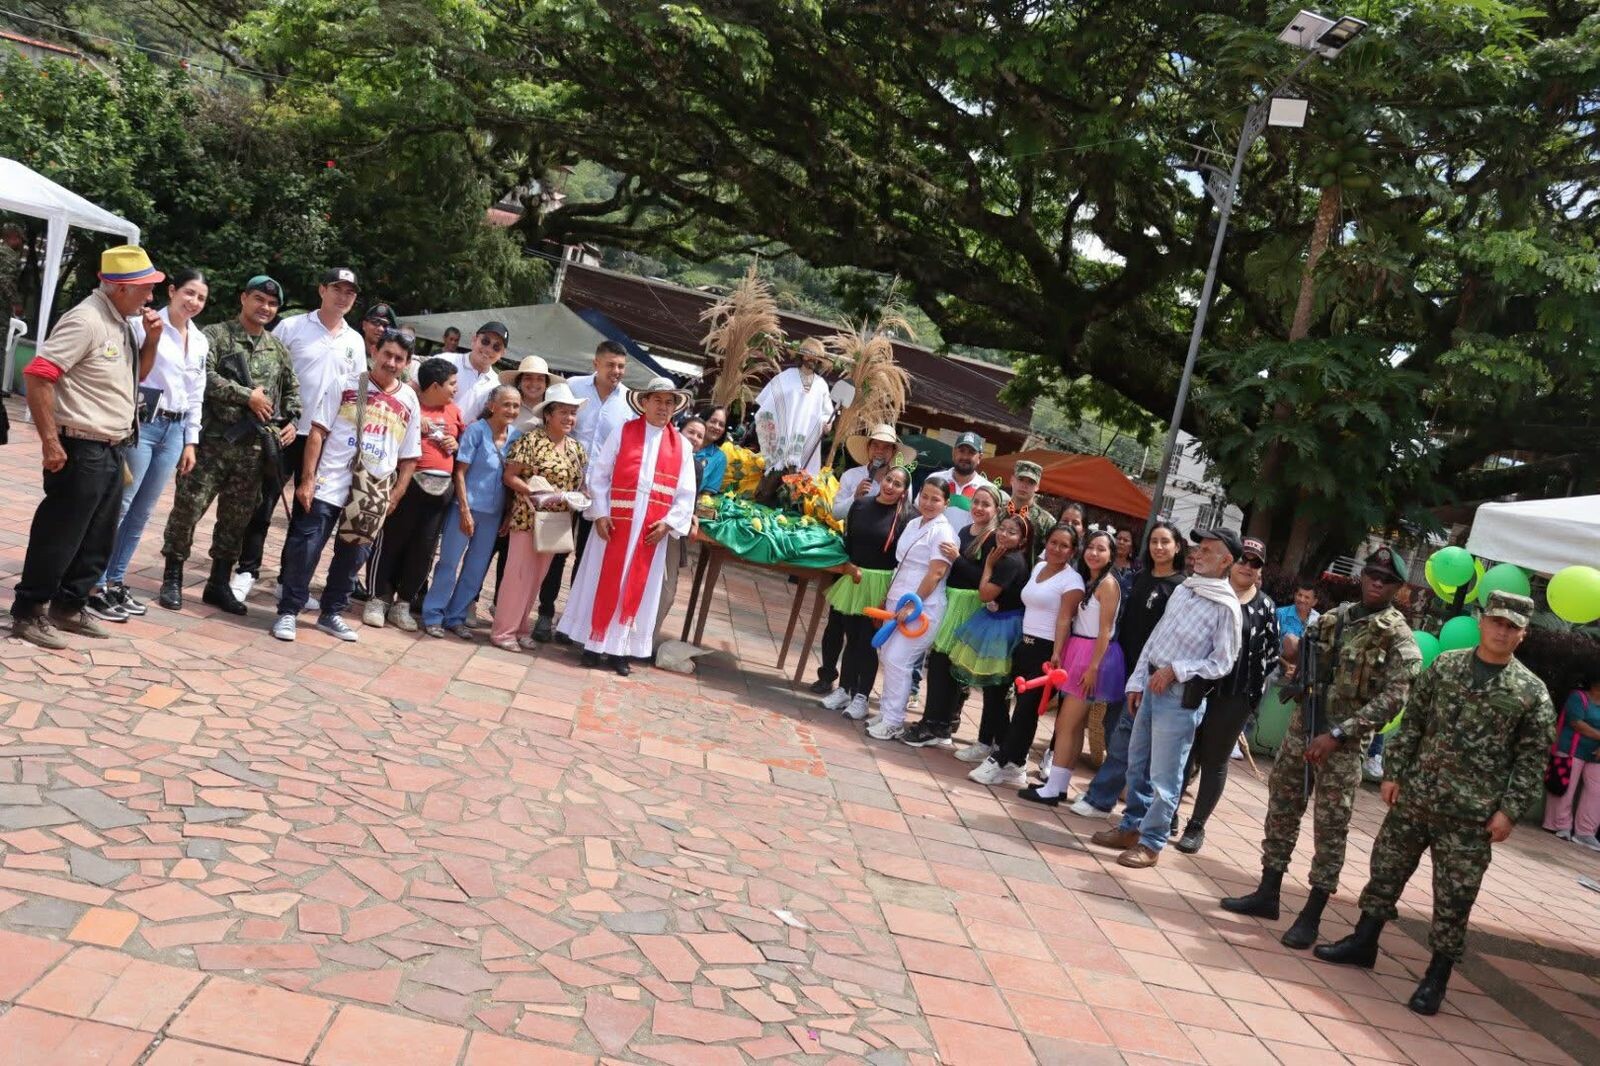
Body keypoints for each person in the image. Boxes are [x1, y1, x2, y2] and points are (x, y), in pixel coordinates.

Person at [1314, 592, 1554, 1016]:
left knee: (1455, 898)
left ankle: (1436, 977)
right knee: (1385, 871)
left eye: (1511, 627)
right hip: (1416, 796)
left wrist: (1509, 811)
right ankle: (1363, 941)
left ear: (1523, 635)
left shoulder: (1531, 692)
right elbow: (1414, 721)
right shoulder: (1445, 666)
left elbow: (1532, 759)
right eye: (1496, 621)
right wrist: (1393, 771)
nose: (1502, 630)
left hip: (1472, 815)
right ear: (1482, 621)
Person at [1222, 546, 1422, 946]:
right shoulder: (1335, 618)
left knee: (1330, 829)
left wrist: (1339, 734)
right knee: (1282, 808)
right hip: (1304, 728)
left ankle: (1312, 915)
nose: (1376, 582)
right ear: (1362, 576)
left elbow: (1395, 697)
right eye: (1371, 574)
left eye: (1386, 579)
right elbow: (1301, 657)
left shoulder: (1398, 637)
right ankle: (1268, 891)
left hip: (1343, 745)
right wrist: (1292, 655)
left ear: (1397, 589)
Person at [10, 246, 162, 649]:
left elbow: (134, 379)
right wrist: (49, 442)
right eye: (144, 289)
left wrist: (151, 342)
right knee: (59, 534)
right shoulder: (86, 320)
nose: (150, 297)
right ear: (116, 287)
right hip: (79, 446)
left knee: (97, 538)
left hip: (112, 446)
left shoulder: (123, 322)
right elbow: (38, 375)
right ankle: (28, 611)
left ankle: (69, 605)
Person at [1087, 527, 1243, 868]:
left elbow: (1223, 662)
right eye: (1199, 548)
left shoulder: (1226, 606)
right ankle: (1131, 827)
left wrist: (1176, 670)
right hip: (1151, 685)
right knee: (1138, 762)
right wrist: (1137, 680)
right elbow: (1157, 638)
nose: (1198, 554)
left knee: (1166, 774)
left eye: (1208, 550)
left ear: (1226, 560)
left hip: (1179, 694)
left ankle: (1153, 841)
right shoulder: (1186, 589)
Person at [159, 277, 300, 615]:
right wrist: (246, 395)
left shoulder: (277, 348)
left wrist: (292, 420)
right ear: (243, 298)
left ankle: (218, 584)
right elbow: (202, 377)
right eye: (258, 299)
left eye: (271, 303)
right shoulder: (215, 336)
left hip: (252, 451)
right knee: (187, 511)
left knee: (235, 521)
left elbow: (292, 389)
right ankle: (173, 577)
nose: (264, 307)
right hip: (212, 444)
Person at [272, 329, 421, 643]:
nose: (391, 363)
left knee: (353, 556)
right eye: (387, 354)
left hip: (373, 491)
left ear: (406, 363)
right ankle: (289, 611)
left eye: (399, 358)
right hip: (331, 481)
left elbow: (409, 458)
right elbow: (317, 433)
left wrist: (395, 495)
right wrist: (308, 480)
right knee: (306, 546)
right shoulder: (347, 384)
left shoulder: (408, 400)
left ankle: (331, 613)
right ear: (374, 352)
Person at [234, 267, 364, 606]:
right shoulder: (292, 326)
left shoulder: (355, 341)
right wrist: (279, 418)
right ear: (322, 289)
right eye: (337, 288)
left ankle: (287, 580)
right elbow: (270, 372)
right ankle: (246, 571)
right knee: (262, 503)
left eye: (350, 292)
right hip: (284, 430)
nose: (343, 296)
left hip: (323, 440)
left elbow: (358, 396)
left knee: (306, 513)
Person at [89, 268, 210, 622]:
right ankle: (93, 583)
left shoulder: (200, 341)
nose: (194, 302)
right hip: (142, 425)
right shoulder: (145, 325)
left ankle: (115, 580)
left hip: (174, 430)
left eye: (201, 298)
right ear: (172, 291)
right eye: (188, 293)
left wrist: (192, 440)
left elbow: (195, 393)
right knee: (121, 504)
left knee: (143, 510)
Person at [556, 377, 694, 674]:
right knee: (599, 580)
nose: (663, 406)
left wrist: (668, 524)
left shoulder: (681, 446)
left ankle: (621, 651)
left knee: (637, 590)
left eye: (669, 402)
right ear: (644, 402)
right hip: (615, 523)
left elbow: (686, 492)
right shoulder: (623, 432)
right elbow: (600, 474)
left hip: (649, 530)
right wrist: (602, 512)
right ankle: (592, 646)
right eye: (657, 400)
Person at [1071, 522, 1187, 818]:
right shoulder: (1137, 578)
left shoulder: (1180, 588)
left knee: (1126, 737)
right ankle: (1119, 794)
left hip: (1151, 674)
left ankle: (1101, 799)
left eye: (1165, 542)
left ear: (1177, 547)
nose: (1158, 547)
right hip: (1123, 665)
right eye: (1154, 541)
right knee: (1114, 731)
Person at [1176, 537, 1279, 852]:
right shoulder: (1207, 592)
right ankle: (1168, 813)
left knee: (1214, 761)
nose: (1248, 566)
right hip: (1196, 686)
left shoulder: (1265, 606)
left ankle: (1196, 826)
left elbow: (1271, 655)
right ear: (1231, 561)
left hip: (1234, 696)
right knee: (1183, 752)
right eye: (1244, 559)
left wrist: (1251, 698)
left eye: (1255, 563)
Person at [966, 524, 1083, 784]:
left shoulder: (1072, 581)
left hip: (1047, 650)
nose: (1057, 549)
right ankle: (1016, 764)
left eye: (1064, 546)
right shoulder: (1039, 567)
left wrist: (1056, 653)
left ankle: (1001, 759)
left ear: (1073, 551)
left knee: (1026, 710)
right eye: (1053, 542)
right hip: (1024, 643)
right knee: (1014, 703)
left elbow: (1065, 619)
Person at [1020, 528, 1126, 805]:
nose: (1094, 553)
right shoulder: (1091, 581)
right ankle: (1058, 786)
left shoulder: (1108, 584)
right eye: (1090, 547)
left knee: (1065, 724)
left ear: (1111, 555)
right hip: (1078, 651)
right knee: (1074, 726)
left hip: (1092, 655)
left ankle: (1053, 788)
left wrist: (1093, 668)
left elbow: (1105, 630)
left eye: (1101, 549)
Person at [536, 341, 632, 642]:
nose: (615, 371)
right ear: (596, 364)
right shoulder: (573, 387)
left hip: (601, 494)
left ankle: (572, 621)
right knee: (556, 552)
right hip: (565, 486)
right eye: (610, 365)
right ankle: (545, 613)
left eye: (620, 367)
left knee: (587, 559)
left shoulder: (629, 401)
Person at [814, 423, 916, 695]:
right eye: (875, 445)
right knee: (837, 622)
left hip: (880, 564)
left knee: (865, 632)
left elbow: (904, 518)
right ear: (868, 448)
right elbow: (836, 512)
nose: (879, 450)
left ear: (893, 451)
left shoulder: (902, 481)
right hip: (852, 555)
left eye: (885, 446)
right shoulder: (852, 476)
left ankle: (856, 688)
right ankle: (827, 674)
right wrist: (856, 497)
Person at [363, 357, 462, 630]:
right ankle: (377, 598)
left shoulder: (454, 411)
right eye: (452, 384)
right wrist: (416, 429)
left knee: (424, 548)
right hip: (407, 485)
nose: (456, 388)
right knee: (391, 541)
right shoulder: (408, 404)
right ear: (434, 386)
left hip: (440, 492)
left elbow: (461, 445)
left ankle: (403, 603)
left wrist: (455, 442)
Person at [905, 484, 1006, 746]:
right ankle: (936, 722)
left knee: (945, 665)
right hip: (953, 599)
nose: (979, 508)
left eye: (986, 504)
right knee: (939, 665)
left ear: (996, 510)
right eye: (976, 502)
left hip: (968, 604)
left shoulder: (993, 537)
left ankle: (938, 725)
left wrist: (958, 558)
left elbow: (982, 577)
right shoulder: (964, 530)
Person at [494, 381, 589, 651]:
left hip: (557, 522)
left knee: (537, 577)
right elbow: (510, 476)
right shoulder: (531, 440)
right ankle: (503, 632)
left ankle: (522, 627)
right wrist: (538, 495)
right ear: (548, 414)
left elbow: (580, 484)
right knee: (518, 576)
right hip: (528, 516)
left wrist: (579, 497)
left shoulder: (576, 449)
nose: (570, 418)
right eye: (564, 412)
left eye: (573, 412)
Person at [927, 514, 1032, 749]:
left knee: (996, 689)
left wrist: (988, 566)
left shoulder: (1010, 562)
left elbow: (985, 593)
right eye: (1002, 529)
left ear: (1023, 541)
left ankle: (997, 747)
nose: (1004, 534)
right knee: (993, 689)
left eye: (1012, 532)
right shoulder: (1005, 556)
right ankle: (989, 744)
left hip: (1003, 626)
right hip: (997, 620)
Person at [423, 385, 520, 638]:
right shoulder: (476, 431)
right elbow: (460, 472)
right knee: (449, 563)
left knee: (476, 569)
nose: (511, 410)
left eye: (516, 405)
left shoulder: (516, 437)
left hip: (493, 514)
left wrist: (508, 514)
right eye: (506, 404)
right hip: (465, 508)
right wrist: (465, 509)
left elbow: (512, 479)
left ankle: (455, 617)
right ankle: (433, 614)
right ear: (492, 405)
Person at [865, 478, 957, 741]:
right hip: (898, 597)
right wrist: (888, 598)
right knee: (887, 656)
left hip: (922, 605)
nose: (928, 503)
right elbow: (901, 564)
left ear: (946, 503)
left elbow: (936, 572)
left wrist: (911, 604)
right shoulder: (914, 523)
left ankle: (894, 721)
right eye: (925, 497)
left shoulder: (943, 531)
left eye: (935, 499)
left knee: (899, 660)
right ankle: (886, 713)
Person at [824, 466, 912, 720]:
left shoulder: (906, 517)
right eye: (888, 480)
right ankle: (844, 689)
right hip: (854, 578)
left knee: (868, 641)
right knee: (851, 636)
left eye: (897, 484)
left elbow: (901, 558)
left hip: (881, 584)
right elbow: (848, 541)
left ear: (904, 491)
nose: (890, 486)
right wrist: (848, 567)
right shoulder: (860, 505)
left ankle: (862, 696)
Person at [753, 337, 834, 477]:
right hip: (783, 434)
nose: (813, 360)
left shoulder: (822, 385)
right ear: (802, 355)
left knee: (799, 480)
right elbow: (769, 404)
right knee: (774, 476)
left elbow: (827, 413)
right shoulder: (785, 377)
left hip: (806, 436)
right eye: (810, 355)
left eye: (816, 357)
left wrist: (827, 424)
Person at [1542, 674, 1600, 849]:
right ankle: (1560, 825)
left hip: (1596, 755)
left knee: (1596, 793)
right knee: (1565, 787)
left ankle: (1585, 832)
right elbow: (1576, 723)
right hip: (1570, 750)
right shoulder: (1578, 697)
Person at [928, 431, 994, 534]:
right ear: (953, 453)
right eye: (961, 451)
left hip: (966, 549)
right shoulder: (935, 479)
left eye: (971, 452)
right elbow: (919, 511)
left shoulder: (988, 489)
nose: (965, 457)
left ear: (979, 458)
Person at [441, 321, 508, 422]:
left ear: (502, 354)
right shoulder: (445, 361)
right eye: (485, 341)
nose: (489, 349)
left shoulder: (497, 386)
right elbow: (414, 388)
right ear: (474, 340)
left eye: (496, 347)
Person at [1006, 460, 1056, 562]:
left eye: (1031, 482)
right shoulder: (997, 509)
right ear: (1012, 480)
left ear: (1037, 487)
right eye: (1021, 479)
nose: (1024, 485)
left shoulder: (1046, 521)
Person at [502, 354, 552, 434]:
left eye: (540, 379)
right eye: (528, 377)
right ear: (519, 381)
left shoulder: (553, 409)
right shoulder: (505, 405)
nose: (534, 383)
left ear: (546, 384)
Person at [693, 408, 728, 493]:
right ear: (702, 421)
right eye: (713, 421)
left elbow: (706, 494)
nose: (717, 427)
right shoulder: (684, 442)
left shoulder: (719, 458)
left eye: (721, 424)